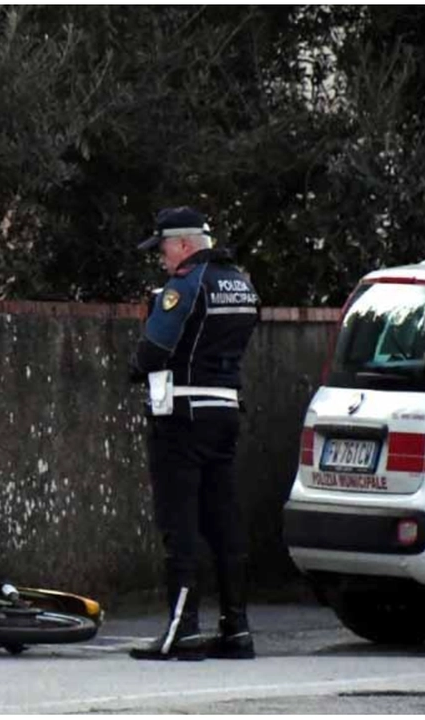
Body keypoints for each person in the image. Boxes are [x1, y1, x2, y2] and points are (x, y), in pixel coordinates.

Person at [128, 206, 260, 661]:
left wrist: (135, 365)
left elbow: (153, 350)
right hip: (225, 408)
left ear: (183, 244)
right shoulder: (239, 282)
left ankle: (181, 630)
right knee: (222, 522)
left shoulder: (185, 286)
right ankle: (236, 628)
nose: (162, 258)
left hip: (181, 413)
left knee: (179, 523)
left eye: (163, 248)